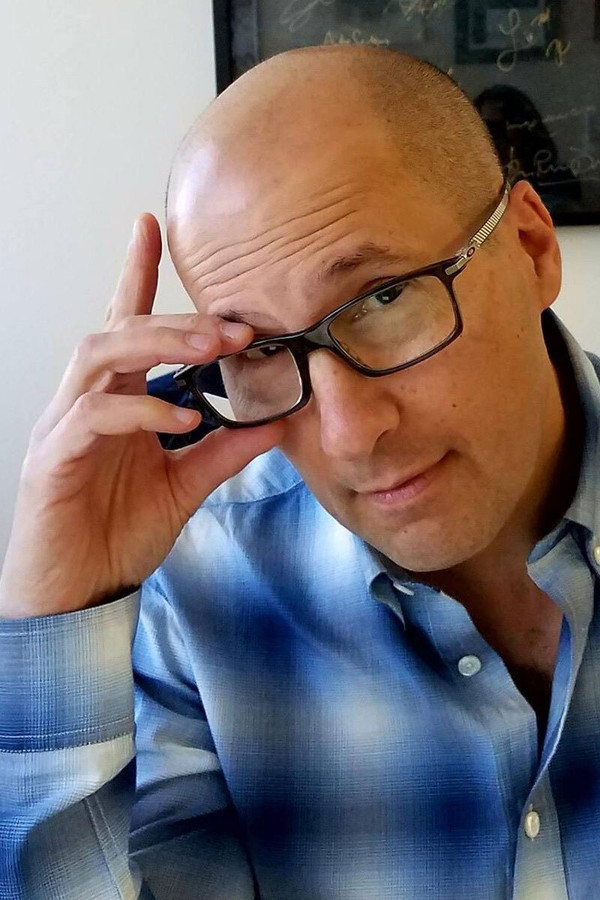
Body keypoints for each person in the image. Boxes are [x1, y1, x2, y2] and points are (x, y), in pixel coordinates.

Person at [0, 43, 597, 899]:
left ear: (533, 247)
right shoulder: (195, 584)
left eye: (385, 297)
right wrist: (55, 620)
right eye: (261, 351)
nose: (349, 436)